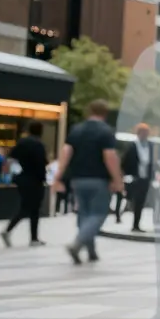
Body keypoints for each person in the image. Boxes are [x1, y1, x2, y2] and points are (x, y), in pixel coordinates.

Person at [52, 100, 123, 264]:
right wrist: (117, 179)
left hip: (78, 179)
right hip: (99, 180)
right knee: (98, 214)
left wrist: (58, 176)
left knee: (84, 214)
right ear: (105, 113)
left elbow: (66, 152)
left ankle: (91, 251)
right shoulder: (106, 131)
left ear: (88, 111)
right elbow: (110, 157)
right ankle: (77, 245)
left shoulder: (76, 130)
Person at [1, 121, 49, 247]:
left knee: (29, 207)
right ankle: (10, 231)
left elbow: (10, 159)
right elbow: (42, 163)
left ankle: (33, 238)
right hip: (36, 180)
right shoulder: (39, 144)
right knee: (31, 209)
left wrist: (6, 176)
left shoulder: (22, 142)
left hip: (23, 178)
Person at [120, 123, 157, 233]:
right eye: (142, 133)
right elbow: (125, 161)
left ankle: (136, 224)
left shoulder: (150, 145)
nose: (144, 135)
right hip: (134, 176)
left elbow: (152, 162)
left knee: (140, 201)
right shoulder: (132, 146)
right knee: (131, 199)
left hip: (145, 177)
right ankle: (123, 215)